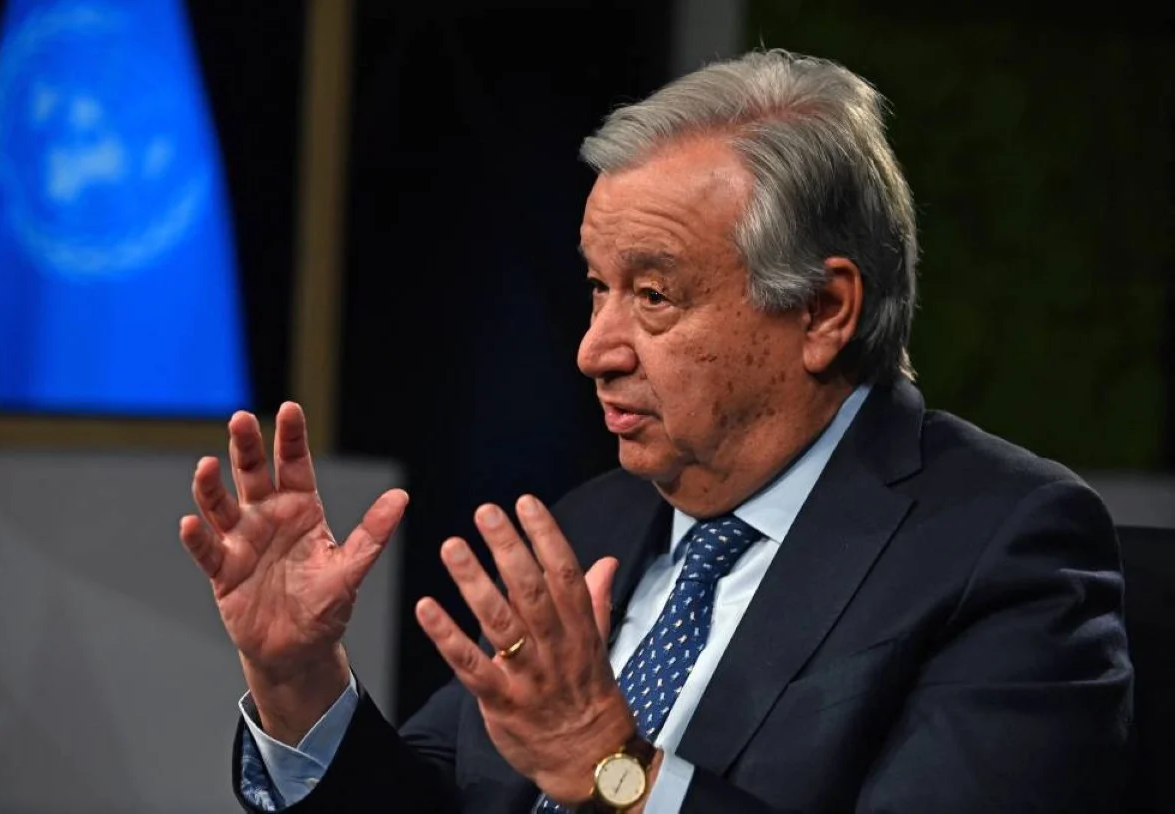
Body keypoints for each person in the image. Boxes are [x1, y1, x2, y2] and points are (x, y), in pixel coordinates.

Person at [180, 48, 1132, 813]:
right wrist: (299, 679)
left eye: (654, 295)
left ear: (824, 312)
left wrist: (613, 771)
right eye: (598, 288)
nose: (596, 348)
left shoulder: (1001, 550)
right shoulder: (592, 527)